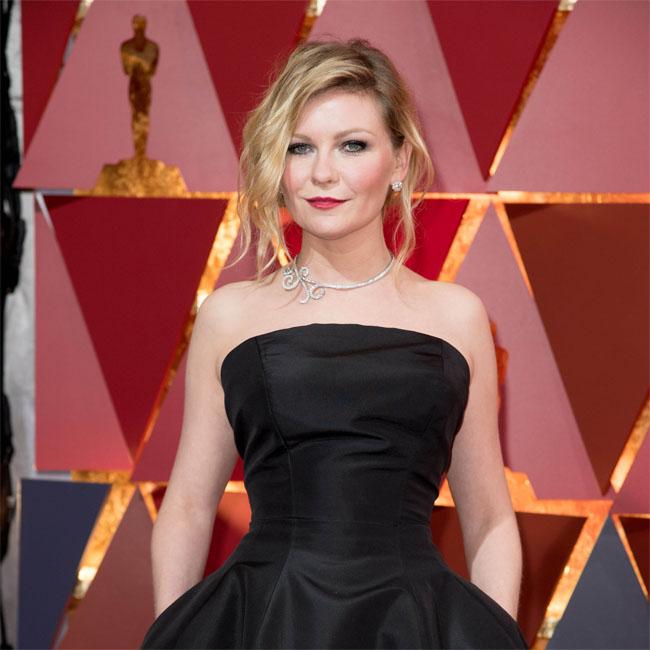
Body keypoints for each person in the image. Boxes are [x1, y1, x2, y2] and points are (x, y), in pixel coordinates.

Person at [141, 38, 528, 649]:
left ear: (400, 161)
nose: (323, 172)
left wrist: (491, 635)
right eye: (300, 147)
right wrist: (177, 633)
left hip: (410, 625)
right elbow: (188, 505)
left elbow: (490, 518)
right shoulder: (230, 314)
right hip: (267, 620)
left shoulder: (456, 317)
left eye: (353, 145)